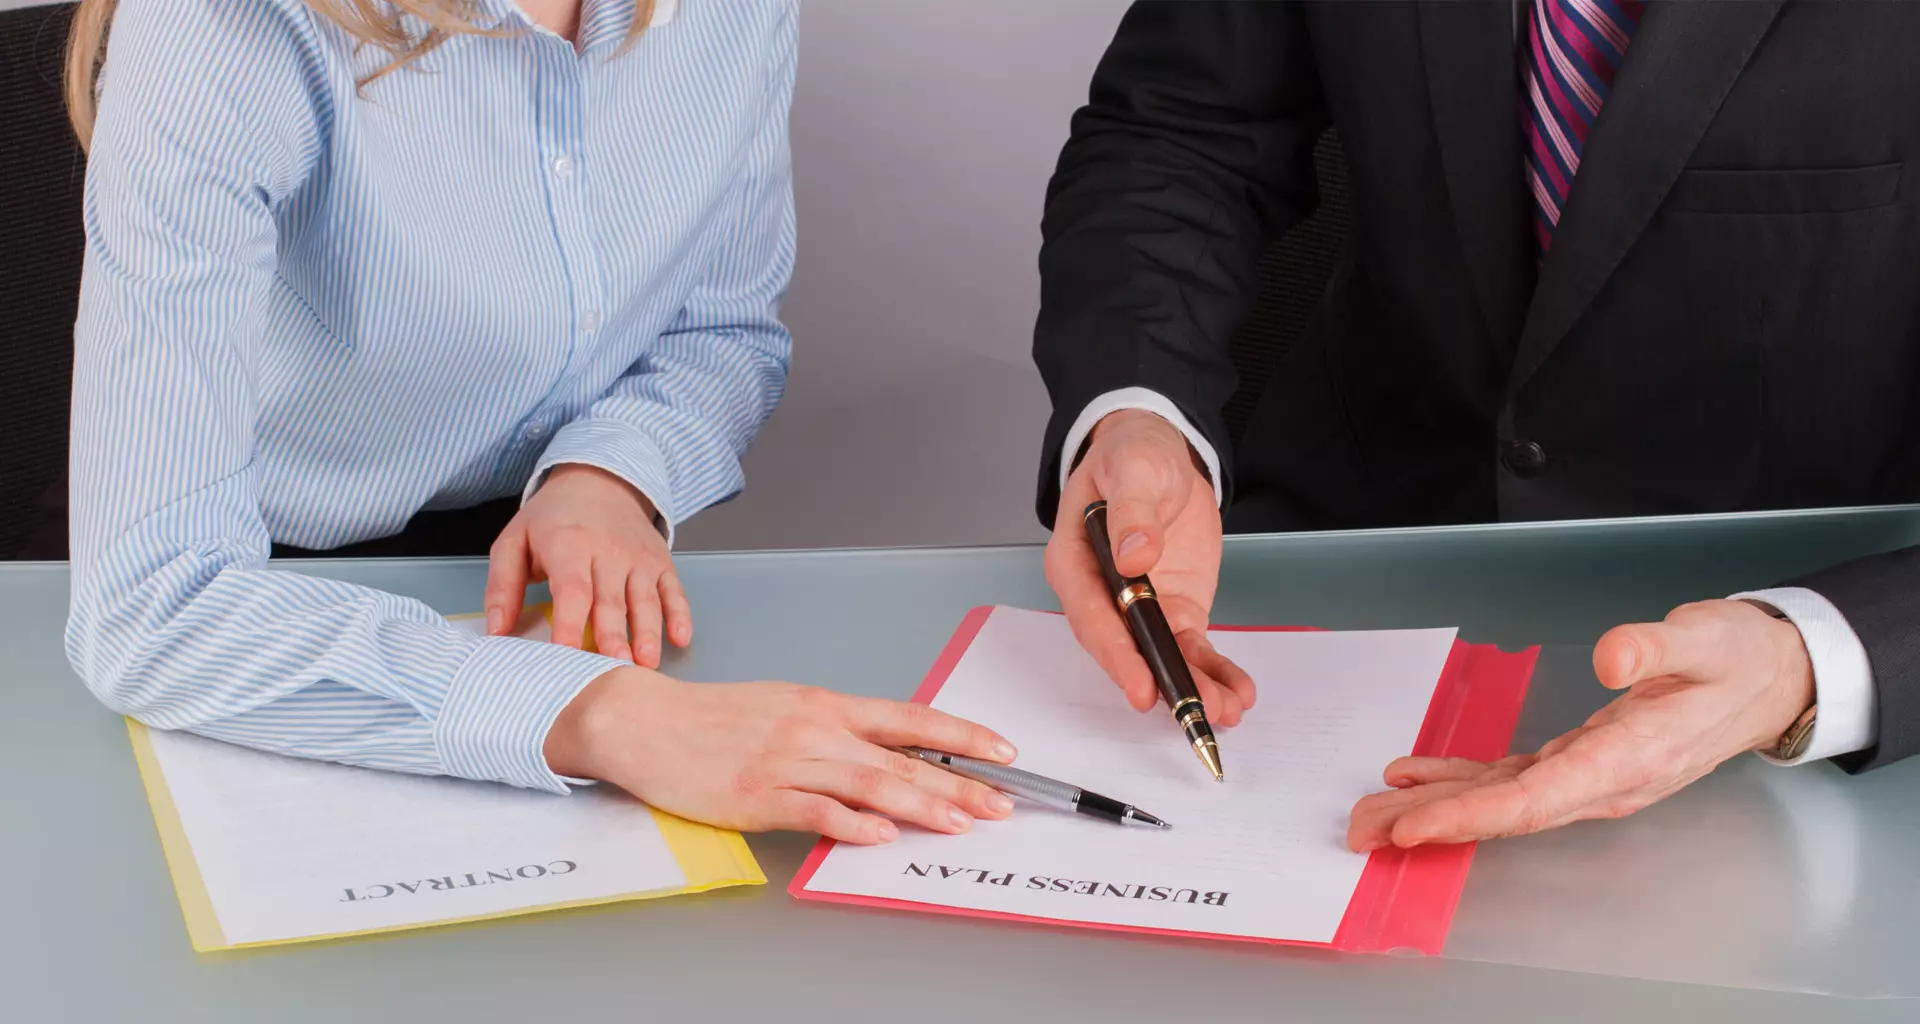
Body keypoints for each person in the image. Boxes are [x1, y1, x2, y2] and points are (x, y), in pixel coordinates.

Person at [63, 0, 1016, 846]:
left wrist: (611, 472)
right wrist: (610, 720)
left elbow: (720, 327)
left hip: (525, 569)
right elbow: (154, 600)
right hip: (259, 590)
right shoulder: (217, 24)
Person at [1034, 0, 1920, 849]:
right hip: (1354, 553)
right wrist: (1136, 412)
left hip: (1813, 621)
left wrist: (1815, 659)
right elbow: (1181, 134)